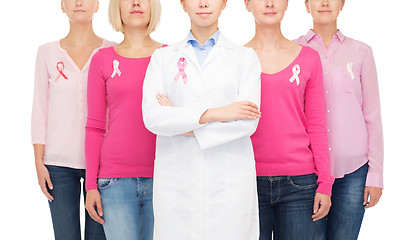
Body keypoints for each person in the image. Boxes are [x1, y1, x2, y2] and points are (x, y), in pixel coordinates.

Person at [142, 0, 262, 239]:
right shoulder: (163, 58)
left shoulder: (245, 57)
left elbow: (247, 121)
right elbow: (153, 117)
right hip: (179, 185)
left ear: (224, 3)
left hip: (228, 185)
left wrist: (178, 122)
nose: (204, 3)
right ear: (183, 4)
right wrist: (217, 113)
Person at [244, 0, 334, 239]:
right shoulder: (236, 59)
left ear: (286, 4)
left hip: (300, 183)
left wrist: (325, 183)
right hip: (247, 178)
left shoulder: (308, 58)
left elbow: (316, 124)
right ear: (247, 4)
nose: (270, 3)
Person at [294, 0, 384, 239]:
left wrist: (375, 175)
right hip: (307, 172)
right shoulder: (292, 51)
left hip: (354, 171)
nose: (324, 3)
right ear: (306, 4)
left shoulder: (361, 52)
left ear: (342, 4)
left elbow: (372, 114)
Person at [31, 0, 114, 239]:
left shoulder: (112, 52)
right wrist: (39, 162)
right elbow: (40, 110)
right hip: (58, 164)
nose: (79, 2)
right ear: (62, 6)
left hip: (102, 164)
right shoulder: (46, 53)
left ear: (97, 5)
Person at [84, 0, 162, 239]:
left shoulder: (171, 56)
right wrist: (90, 186)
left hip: (164, 176)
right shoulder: (102, 59)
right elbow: (95, 127)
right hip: (114, 181)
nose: (136, 3)